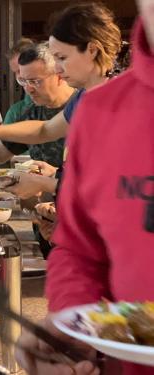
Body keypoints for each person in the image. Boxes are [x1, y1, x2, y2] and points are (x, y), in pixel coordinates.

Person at [15, 0, 154, 373]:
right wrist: (73, 325)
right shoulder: (98, 111)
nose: (57, 69)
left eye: (61, 57)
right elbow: (79, 251)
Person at [0, 2, 122, 198]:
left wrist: (45, 183)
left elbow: (113, 186)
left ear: (92, 50)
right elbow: (45, 129)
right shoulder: (84, 97)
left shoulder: (121, 100)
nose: (58, 69)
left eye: (62, 57)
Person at [0, 42, 75, 170]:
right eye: (23, 81)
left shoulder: (82, 105)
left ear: (59, 74)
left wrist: (54, 175)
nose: (28, 89)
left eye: (35, 81)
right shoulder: (31, 113)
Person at [4, 37, 35, 125]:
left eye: (20, 70)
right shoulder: (16, 112)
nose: (20, 76)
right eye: (16, 72)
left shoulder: (73, 103)